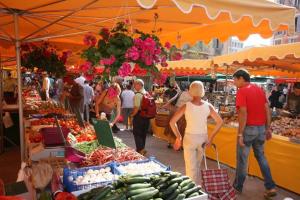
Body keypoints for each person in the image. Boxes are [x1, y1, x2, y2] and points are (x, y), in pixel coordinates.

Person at [232, 69, 276, 197]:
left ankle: (238, 187)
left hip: (248, 129)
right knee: (261, 157)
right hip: (261, 128)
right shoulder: (258, 89)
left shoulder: (242, 91)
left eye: (235, 79)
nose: (234, 82)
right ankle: (270, 187)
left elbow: (243, 113)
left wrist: (240, 134)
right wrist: (267, 128)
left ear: (241, 78)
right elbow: (267, 109)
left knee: (242, 160)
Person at [169, 81, 223, 184]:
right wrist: (211, 138)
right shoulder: (208, 106)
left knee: (191, 167)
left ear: (190, 91)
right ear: (202, 91)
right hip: (203, 138)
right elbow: (220, 122)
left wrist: (178, 137)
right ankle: (195, 187)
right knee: (196, 166)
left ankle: (192, 189)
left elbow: (172, 122)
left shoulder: (186, 106)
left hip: (190, 138)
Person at [131, 79, 149, 155]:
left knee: (137, 133)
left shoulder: (138, 94)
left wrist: (132, 115)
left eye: (135, 84)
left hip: (139, 116)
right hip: (146, 116)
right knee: (143, 133)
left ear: (139, 85)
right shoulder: (146, 93)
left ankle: (140, 150)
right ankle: (142, 148)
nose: (134, 86)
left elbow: (136, 107)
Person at [162, 81, 181, 148]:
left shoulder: (177, 91)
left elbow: (165, 98)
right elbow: (165, 97)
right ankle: (171, 142)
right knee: (177, 127)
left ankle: (170, 142)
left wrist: (167, 103)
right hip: (177, 110)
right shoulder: (179, 92)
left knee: (171, 127)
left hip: (173, 110)